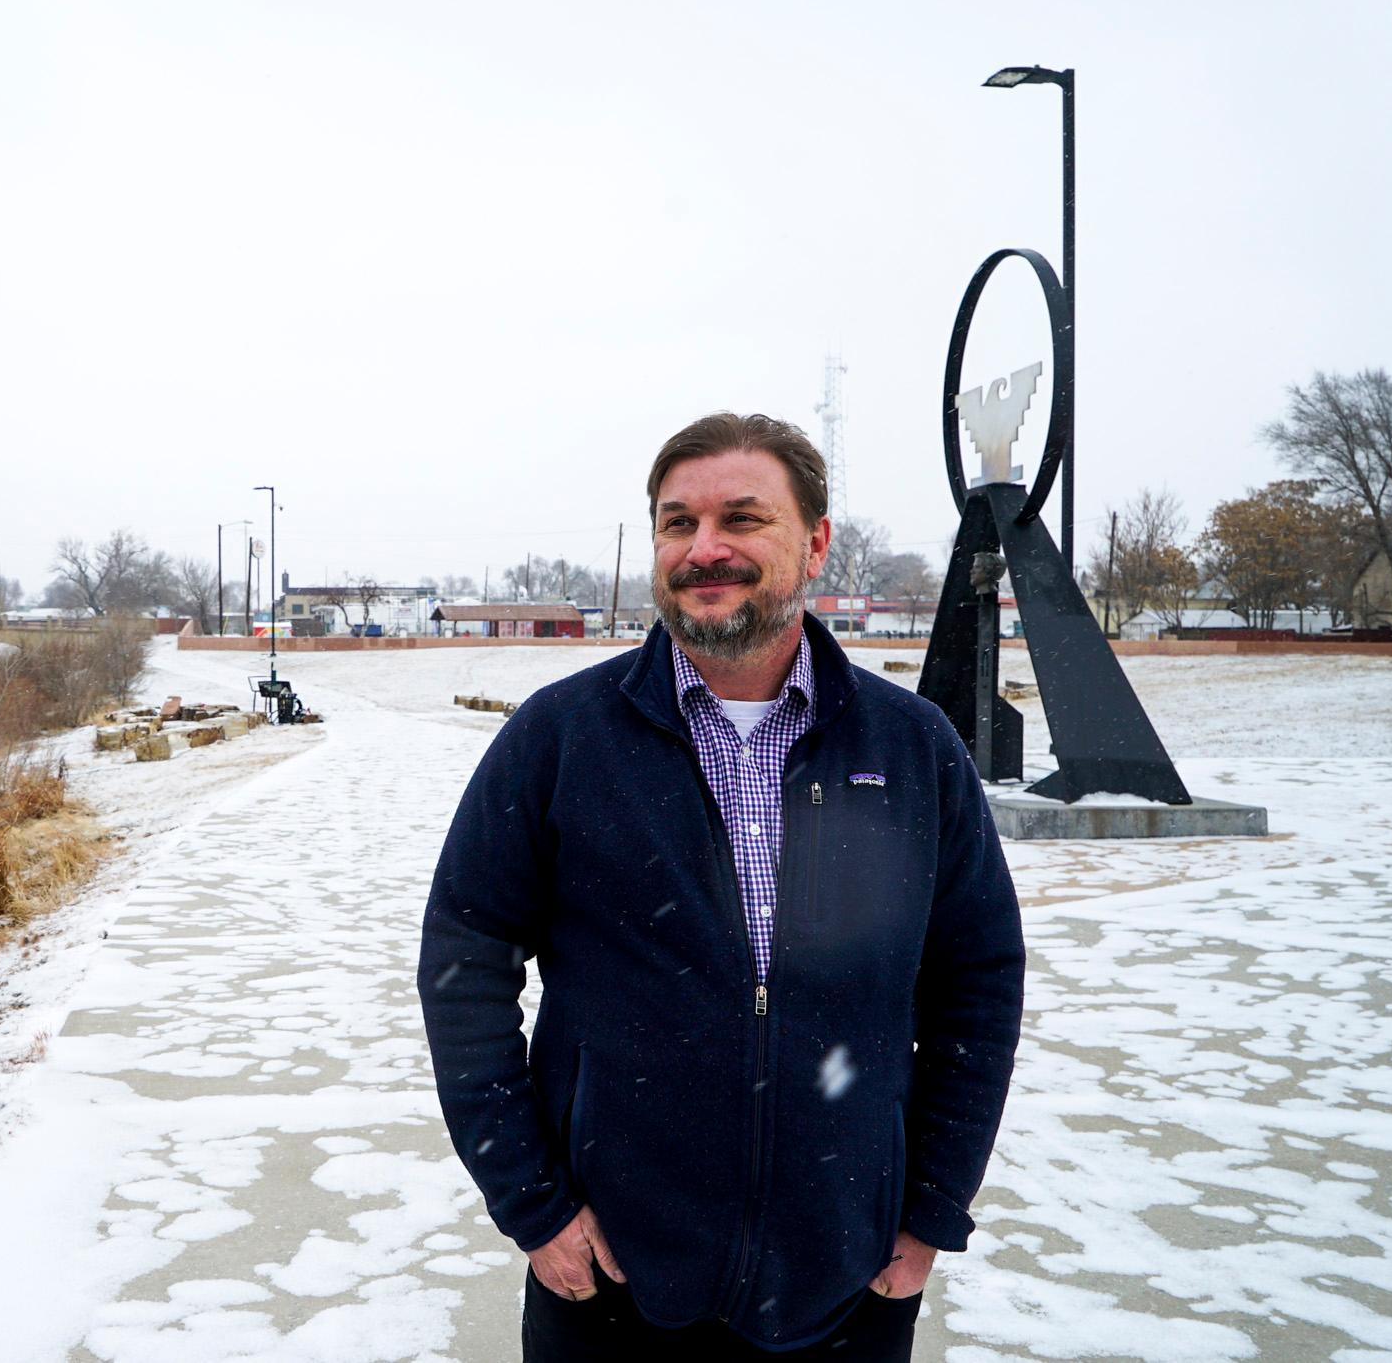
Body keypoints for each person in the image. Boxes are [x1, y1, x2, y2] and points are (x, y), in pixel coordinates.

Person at [418, 413, 1025, 1359]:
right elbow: (464, 963)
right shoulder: (560, 739)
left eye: (742, 518)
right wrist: (532, 1204)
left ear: (815, 541)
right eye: (677, 523)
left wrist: (934, 1206)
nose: (706, 550)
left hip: (846, 1281)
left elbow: (978, 983)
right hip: (610, 1284)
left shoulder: (912, 750)